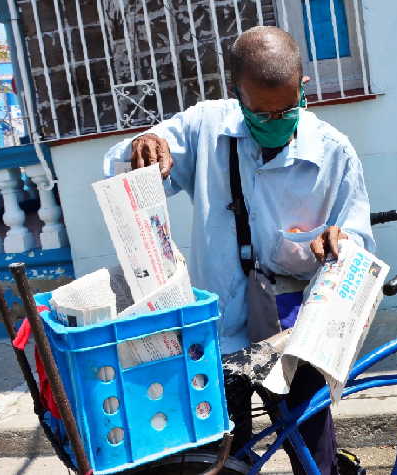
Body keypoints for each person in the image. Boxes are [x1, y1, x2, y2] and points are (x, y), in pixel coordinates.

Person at [103, 26, 375, 475]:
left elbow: (361, 240)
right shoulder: (205, 126)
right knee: (224, 455)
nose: (274, 123)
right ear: (237, 94)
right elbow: (126, 171)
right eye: (260, 115)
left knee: (312, 451)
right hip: (215, 329)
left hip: (290, 330)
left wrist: (341, 241)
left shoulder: (333, 153)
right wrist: (140, 147)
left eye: (286, 110)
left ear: (303, 87)